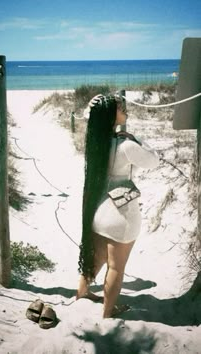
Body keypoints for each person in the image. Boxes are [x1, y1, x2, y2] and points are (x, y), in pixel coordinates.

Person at [76, 93, 159, 318]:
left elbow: (91, 116)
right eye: (121, 108)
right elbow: (154, 160)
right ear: (112, 115)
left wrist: (94, 105)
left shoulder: (96, 143)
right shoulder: (125, 146)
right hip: (120, 216)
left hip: (98, 211)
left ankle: (82, 292)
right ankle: (108, 311)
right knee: (116, 268)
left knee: (97, 259)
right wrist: (137, 138)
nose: (125, 111)